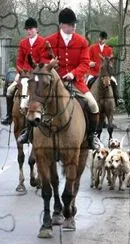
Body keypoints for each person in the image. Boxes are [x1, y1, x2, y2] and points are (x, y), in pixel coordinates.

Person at [41, 8, 101, 150]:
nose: (74, 27)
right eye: (70, 24)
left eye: (74, 24)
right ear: (62, 25)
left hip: (76, 83)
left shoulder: (82, 41)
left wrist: (73, 74)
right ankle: (29, 133)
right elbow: (41, 60)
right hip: (54, 83)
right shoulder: (49, 41)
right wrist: (50, 65)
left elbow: (85, 63)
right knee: (34, 103)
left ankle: (92, 136)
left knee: (93, 105)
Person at [0, 17, 48, 132]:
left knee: (45, 90)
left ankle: (45, 115)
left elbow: (43, 60)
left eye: (31, 29)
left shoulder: (43, 42)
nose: (29, 31)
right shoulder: (23, 43)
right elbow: (19, 60)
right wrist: (20, 71)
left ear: (36, 29)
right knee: (10, 90)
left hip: (36, 73)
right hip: (23, 73)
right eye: (27, 29)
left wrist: (34, 71)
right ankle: (9, 116)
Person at [87, 31, 119, 106]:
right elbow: (87, 59)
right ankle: (87, 100)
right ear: (99, 38)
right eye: (100, 38)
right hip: (94, 73)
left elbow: (111, 60)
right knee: (88, 82)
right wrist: (89, 63)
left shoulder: (109, 49)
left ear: (106, 40)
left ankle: (116, 100)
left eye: (103, 39)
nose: (101, 40)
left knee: (114, 82)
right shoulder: (92, 48)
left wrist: (110, 64)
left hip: (106, 74)